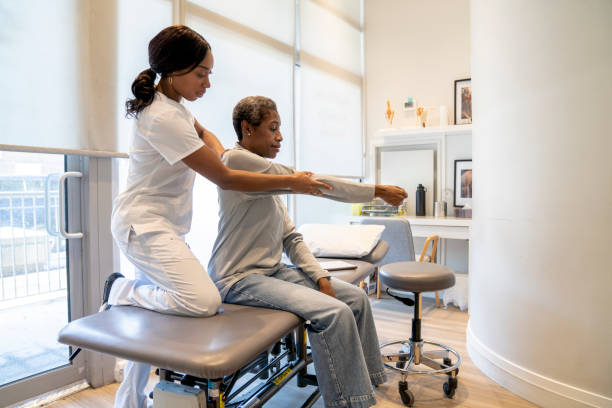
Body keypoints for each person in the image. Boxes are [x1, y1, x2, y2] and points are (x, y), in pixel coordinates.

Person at [106, 26, 332, 408]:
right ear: (175, 70)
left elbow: (207, 134)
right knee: (202, 300)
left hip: (161, 227)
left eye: (210, 72)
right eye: (202, 73)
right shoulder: (162, 117)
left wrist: (223, 151)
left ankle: (129, 401)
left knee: (149, 324)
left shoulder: (175, 108)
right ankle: (121, 290)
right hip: (142, 226)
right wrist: (293, 181)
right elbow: (225, 178)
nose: (208, 82)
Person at [208, 95, 407, 408]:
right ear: (247, 129)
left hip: (271, 271)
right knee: (334, 312)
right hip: (236, 278)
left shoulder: (272, 184)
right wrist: (377, 191)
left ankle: (366, 383)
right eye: (272, 128)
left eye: (280, 128)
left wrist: (321, 278)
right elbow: (313, 182)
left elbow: (291, 237)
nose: (280, 136)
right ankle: (349, 402)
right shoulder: (236, 161)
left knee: (354, 299)